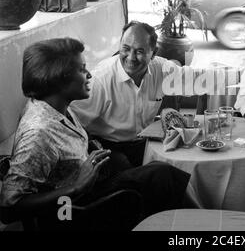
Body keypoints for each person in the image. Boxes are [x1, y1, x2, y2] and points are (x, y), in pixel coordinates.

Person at [0, 38, 191, 230]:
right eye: (82, 69)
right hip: (71, 212)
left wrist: (94, 150)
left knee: (144, 168)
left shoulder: (58, 107)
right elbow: (8, 209)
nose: (89, 74)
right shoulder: (39, 133)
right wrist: (75, 187)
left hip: (88, 187)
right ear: (60, 78)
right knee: (160, 175)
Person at [70, 21, 193, 172]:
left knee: (180, 163)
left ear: (154, 53)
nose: (131, 57)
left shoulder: (160, 68)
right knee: (151, 173)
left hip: (144, 142)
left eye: (139, 51)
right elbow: (72, 123)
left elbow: (194, 79)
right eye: (126, 49)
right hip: (109, 147)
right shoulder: (101, 79)